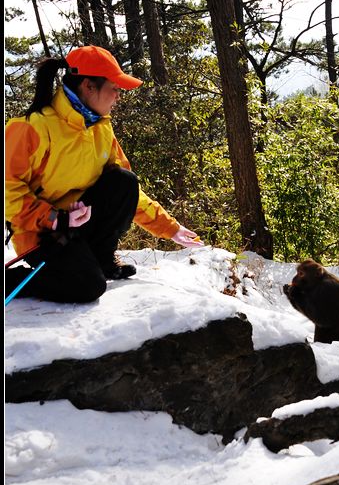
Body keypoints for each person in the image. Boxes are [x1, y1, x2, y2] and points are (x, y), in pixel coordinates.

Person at [5, 45, 204, 303]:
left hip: (78, 224)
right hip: (42, 234)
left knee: (124, 182)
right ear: (88, 86)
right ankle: (13, 280)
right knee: (87, 287)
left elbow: (127, 192)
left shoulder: (100, 128)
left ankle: (101, 258)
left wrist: (170, 228)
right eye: (114, 88)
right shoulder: (31, 128)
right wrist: (54, 218)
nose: (118, 96)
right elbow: (7, 190)